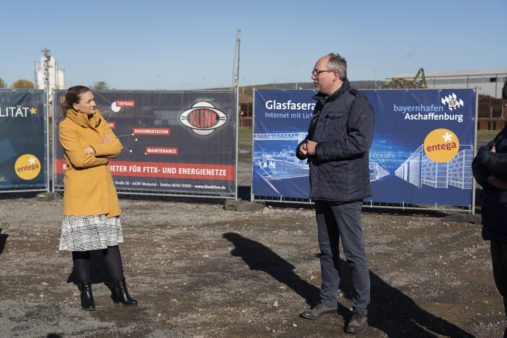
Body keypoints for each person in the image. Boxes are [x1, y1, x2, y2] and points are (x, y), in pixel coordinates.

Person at [296, 53, 374, 333]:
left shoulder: (356, 102)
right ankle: (328, 301)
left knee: (354, 254)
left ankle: (361, 312)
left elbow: (360, 143)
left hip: (346, 191)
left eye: (316, 71)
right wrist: (303, 148)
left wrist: (318, 149)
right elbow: (312, 138)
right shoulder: (321, 104)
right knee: (327, 251)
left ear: (334, 74)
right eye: (314, 72)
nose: (313, 76)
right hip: (322, 188)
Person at [58, 85, 137, 311]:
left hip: (103, 191)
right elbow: (79, 161)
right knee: (82, 247)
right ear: (76, 105)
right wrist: (103, 157)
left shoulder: (99, 119)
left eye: (94, 99)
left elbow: (117, 147)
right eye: (90, 101)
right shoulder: (66, 127)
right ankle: (86, 293)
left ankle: (121, 291)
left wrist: (93, 148)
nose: (94, 104)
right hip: (81, 193)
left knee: (110, 244)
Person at [472, 126, 507, 318]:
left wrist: (486, 157)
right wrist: (490, 178)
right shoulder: (504, 132)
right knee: (504, 288)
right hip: (497, 225)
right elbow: (476, 164)